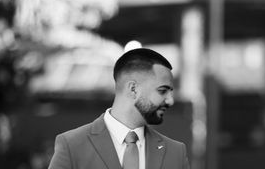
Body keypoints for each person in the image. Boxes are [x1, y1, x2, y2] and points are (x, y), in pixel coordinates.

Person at [48, 47, 190, 169]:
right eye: (162, 91)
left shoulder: (176, 152)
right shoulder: (72, 145)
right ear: (133, 89)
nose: (170, 101)